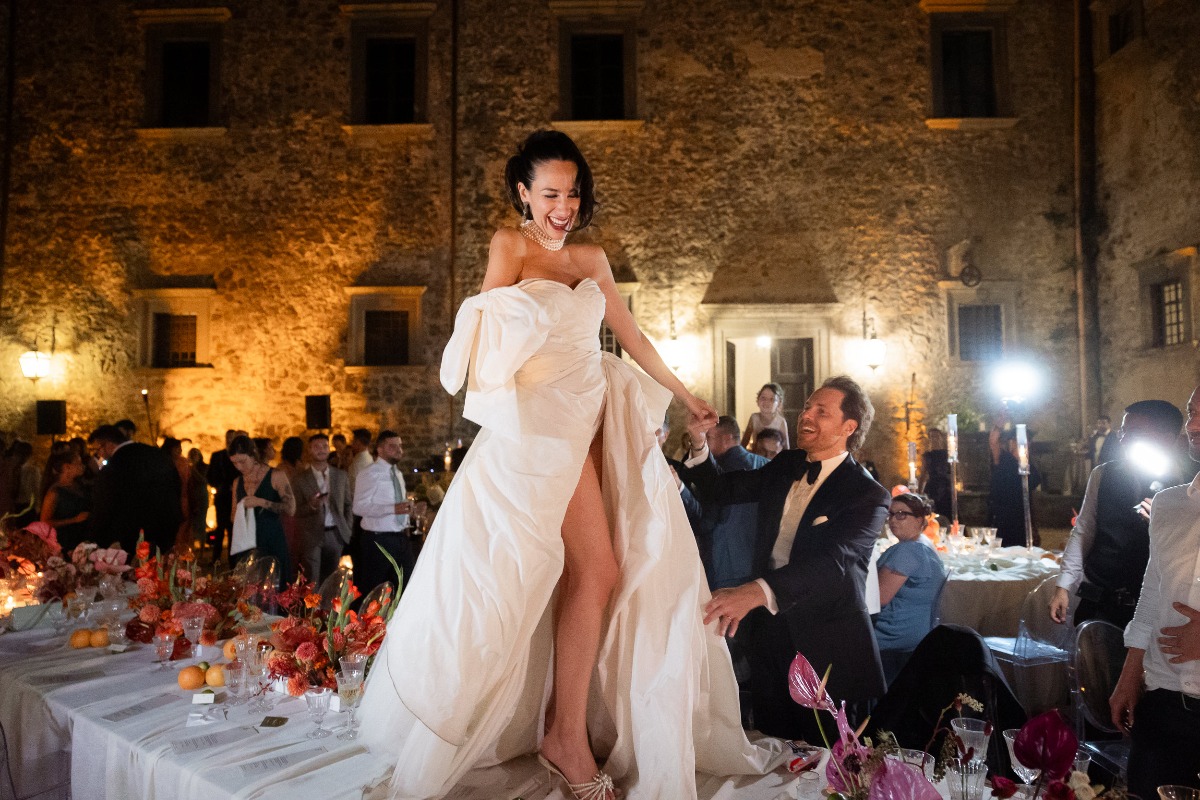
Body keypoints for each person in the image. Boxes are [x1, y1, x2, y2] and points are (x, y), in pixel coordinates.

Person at [358, 130, 782, 800]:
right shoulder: (509, 247)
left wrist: (684, 393)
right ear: (523, 193)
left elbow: (630, 333)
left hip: (593, 423)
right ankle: (558, 734)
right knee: (572, 574)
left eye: (573, 192)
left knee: (598, 572)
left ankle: (566, 727)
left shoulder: (591, 255)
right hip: (538, 432)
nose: (563, 207)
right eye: (550, 193)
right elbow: (483, 344)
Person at [687, 375, 890, 742]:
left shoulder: (868, 495)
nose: (806, 415)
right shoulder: (788, 464)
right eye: (807, 407)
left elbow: (833, 563)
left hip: (827, 642)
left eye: (821, 411)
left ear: (849, 426)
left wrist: (755, 591)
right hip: (769, 633)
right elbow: (721, 490)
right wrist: (700, 442)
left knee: (826, 756)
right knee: (771, 744)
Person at [1109, 385, 1200, 800]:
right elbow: (1153, 590)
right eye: (1191, 412)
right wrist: (1131, 673)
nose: (1193, 426)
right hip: (1163, 698)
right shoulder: (1170, 504)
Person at [1050, 399, 1184, 628]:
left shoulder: (1186, 484)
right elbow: (1083, 531)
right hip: (1099, 601)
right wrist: (1063, 586)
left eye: (1135, 432)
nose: (1124, 439)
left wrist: (1162, 526)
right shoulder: (1103, 474)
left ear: (1166, 438)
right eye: (1124, 431)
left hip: (1155, 608)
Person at [875, 493, 947, 685]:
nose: (892, 520)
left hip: (893, 636)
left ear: (920, 520)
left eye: (901, 514)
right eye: (890, 514)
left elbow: (878, 598)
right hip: (917, 632)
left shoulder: (908, 551)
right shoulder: (923, 544)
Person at [87, 425, 182, 554]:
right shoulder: (158, 455)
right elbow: (176, 486)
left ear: (108, 444)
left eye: (98, 449)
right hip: (164, 532)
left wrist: (96, 540)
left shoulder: (113, 468)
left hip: (129, 541)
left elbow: (104, 506)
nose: (99, 455)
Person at [351, 430, 418, 600]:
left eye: (400, 446)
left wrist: (413, 510)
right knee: (375, 591)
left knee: (406, 587)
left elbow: (397, 506)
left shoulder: (398, 474)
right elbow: (359, 507)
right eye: (392, 446)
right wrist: (393, 508)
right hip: (378, 540)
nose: (398, 450)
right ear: (379, 450)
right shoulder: (369, 473)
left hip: (400, 539)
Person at [229, 434, 295, 586]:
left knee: (275, 588)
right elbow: (233, 517)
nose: (239, 467)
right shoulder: (237, 481)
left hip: (271, 538)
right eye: (234, 463)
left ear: (253, 455)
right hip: (247, 543)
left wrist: (261, 502)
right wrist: (242, 511)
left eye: (242, 461)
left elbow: (291, 508)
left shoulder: (276, 476)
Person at [292, 433, 353, 584]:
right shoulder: (300, 479)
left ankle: (328, 607)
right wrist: (311, 505)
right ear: (309, 450)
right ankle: (313, 608)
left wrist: (347, 527)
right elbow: (294, 510)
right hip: (311, 535)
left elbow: (347, 504)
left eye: (325, 446)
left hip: (335, 533)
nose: (321, 450)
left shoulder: (341, 475)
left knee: (331, 578)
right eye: (317, 447)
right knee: (312, 579)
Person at [988, 416, 1041, 547]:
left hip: (1021, 517)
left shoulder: (1030, 466)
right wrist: (999, 425)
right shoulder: (1004, 459)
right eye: (1017, 440)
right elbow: (993, 442)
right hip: (1003, 515)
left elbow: (1032, 488)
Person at [39, 450, 91, 551]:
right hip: (64, 541)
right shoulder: (54, 492)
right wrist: (74, 520)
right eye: (78, 463)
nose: (82, 466)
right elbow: (44, 521)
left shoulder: (79, 485)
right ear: (67, 467)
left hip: (82, 538)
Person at [206, 430, 241, 557]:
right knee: (220, 527)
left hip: (235, 497)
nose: (230, 440)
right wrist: (219, 486)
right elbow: (210, 475)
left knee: (233, 529)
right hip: (222, 496)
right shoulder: (218, 456)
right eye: (228, 438)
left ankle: (233, 559)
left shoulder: (240, 457)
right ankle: (216, 557)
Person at [741, 382, 789, 451]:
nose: (766, 402)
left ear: (779, 403)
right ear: (757, 401)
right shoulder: (754, 418)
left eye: (772, 399)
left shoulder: (781, 422)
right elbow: (744, 442)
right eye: (763, 398)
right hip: (757, 457)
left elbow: (786, 448)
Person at [921, 428, 952, 518]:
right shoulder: (927, 455)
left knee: (947, 511)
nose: (934, 439)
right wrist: (919, 491)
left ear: (941, 438)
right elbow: (923, 473)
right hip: (933, 486)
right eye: (932, 437)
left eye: (936, 436)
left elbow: (953, 471)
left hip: (945, 487)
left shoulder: (948, 454)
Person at [185, 448, 209, 550]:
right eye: (192, 455)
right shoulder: (186, 467)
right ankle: (191, 548)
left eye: (196, 455)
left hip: (201, 496)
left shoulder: (205, 467)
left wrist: (193, 469)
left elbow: (204, 480)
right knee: (191, 522)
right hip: (191, 496)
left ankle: (202, 547)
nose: (194, 457)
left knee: (201, 522)